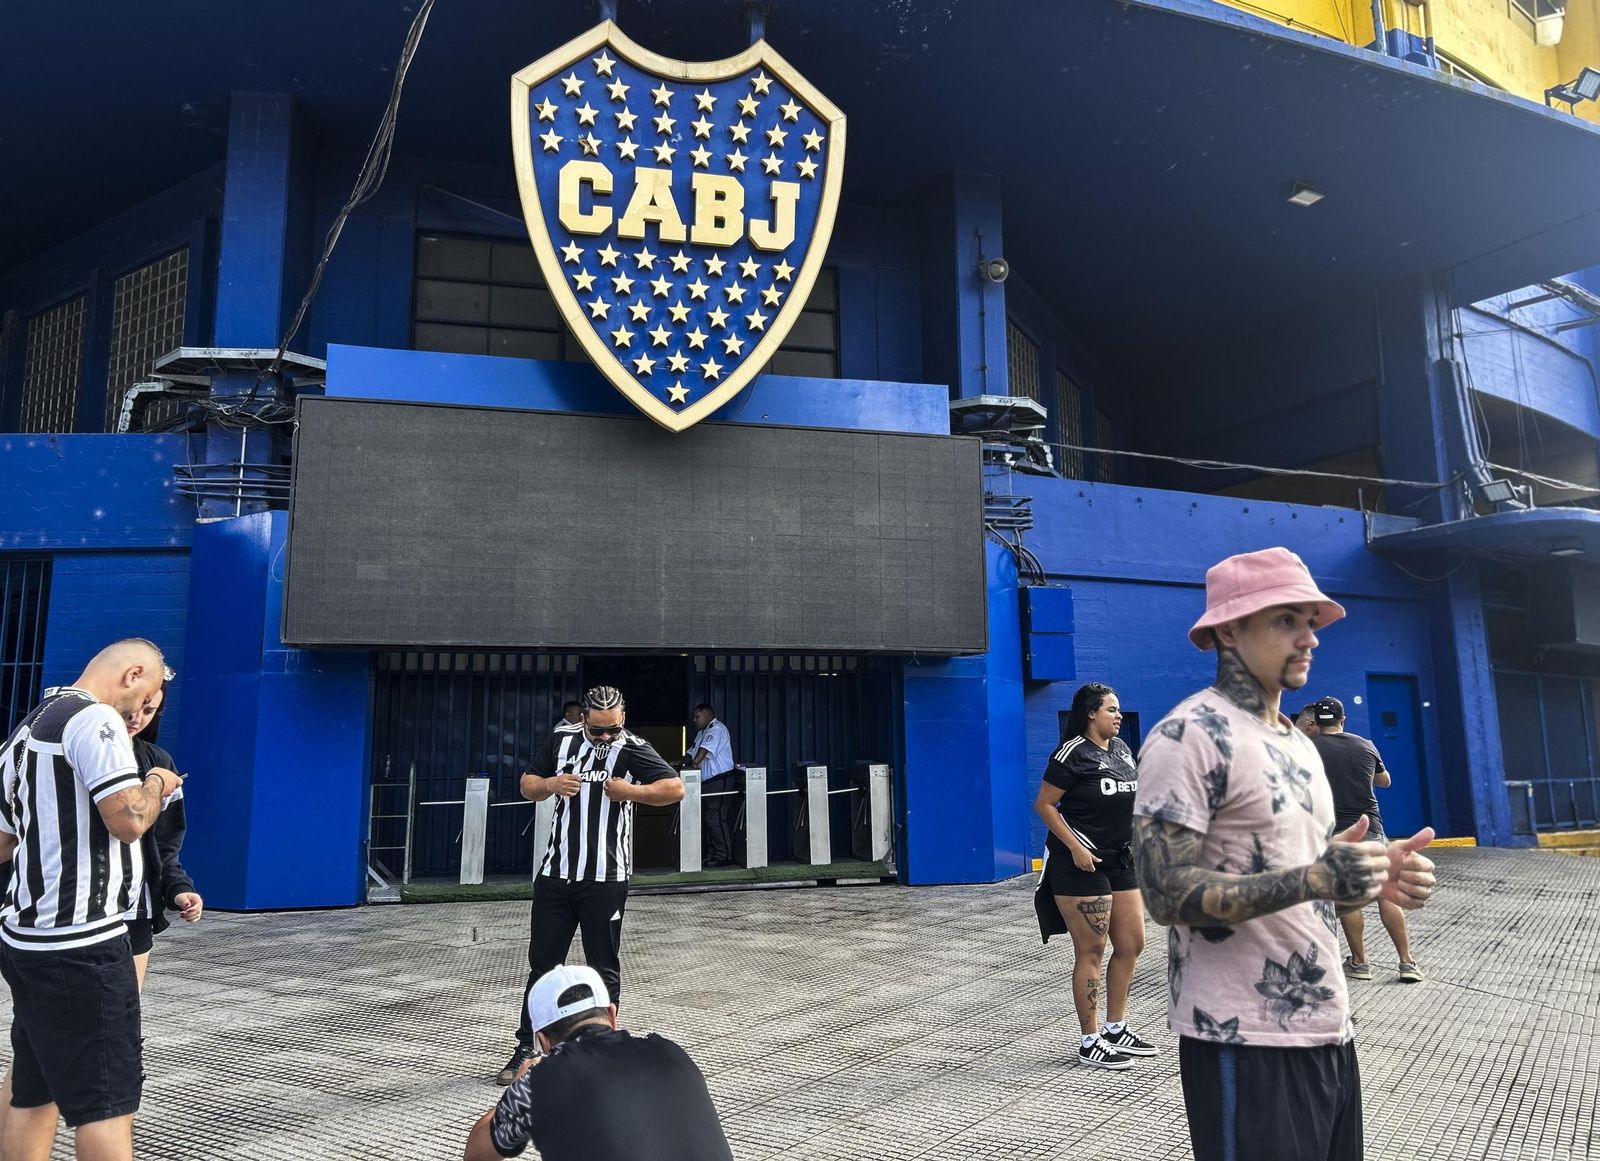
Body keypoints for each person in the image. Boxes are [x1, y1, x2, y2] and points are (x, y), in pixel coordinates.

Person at [1132, 547, 1438, 1161]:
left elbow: (1298, 865)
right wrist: (1313, 877)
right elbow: (1164, 894)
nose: (1310, 638)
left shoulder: (1298, 745)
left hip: (1329, 1025)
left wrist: (1365, 876)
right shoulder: (1186, 737)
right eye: (1285, 621)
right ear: (1228, 630)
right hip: (1242, 1038)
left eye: (1311, 622)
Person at [0, 639, 180, 1161]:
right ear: (133, 674)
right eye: (146, 697)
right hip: (84, 943)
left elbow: (3, 841)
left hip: (27, 940)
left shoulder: (29, 729)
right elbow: (128, 820)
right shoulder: (94, 720)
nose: (141, 713)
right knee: (107, 1103)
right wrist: (157, 781)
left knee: (35, 1088)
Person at [495, 686, 684, 1084]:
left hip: (606, 877)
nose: (604, 738)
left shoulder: (632, 747)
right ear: (583, 719)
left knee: (603, 965)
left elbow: (674, 788)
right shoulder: (561, 740)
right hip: (556, 873)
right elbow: (527, 783)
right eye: (597, 731)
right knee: (543, 965)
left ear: (623, 719)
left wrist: (631, 792)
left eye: (611, 730)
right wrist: (551, 786)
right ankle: (527, 1045)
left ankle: (604, 1051)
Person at [466, 964, 733, 1161]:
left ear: (543, 1041)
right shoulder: (671, 1052)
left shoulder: (539, 1084)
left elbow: (476, 1156)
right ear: (612, 1015)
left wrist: (518, 1087)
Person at [1031, 682, 1156, 1069]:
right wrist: (1075, 847)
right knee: (1092, 950)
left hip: (1121, 860)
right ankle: (1090, 1040)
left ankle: (1116, 1028)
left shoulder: (1120, 750)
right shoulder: (1071, 754)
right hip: (1080, 865)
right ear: (1090, 713)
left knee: (1132, 943)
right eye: (1111, 710)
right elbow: (1045, 805)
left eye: (1119, 711)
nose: (1118, 716)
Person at [1310, 696, 1423, 984]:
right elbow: (1385, 781)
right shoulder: (1364, 744)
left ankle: (1360, 963)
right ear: (1342, 720)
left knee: (1350, 898)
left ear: (1315, 723)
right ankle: (1407, 962)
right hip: (1371, 828)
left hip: (1337, 833)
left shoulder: (1308, 748)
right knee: (1387, 893)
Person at [123, 686, 204, 988]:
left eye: (149, 710)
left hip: (135, 909)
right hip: (76, 910)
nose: (136, 717)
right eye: (132, 706)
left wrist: (179, 889)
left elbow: (164, 845)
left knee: (127, 1009)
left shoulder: (158, 762)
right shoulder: (77, 754)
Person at [684, 703, 737, 867]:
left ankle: (724, 855)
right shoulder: (702, 732)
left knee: (715, 818)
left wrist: (694, 763)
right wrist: (678, 762)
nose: (694, 720)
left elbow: (702, 753)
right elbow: (692, 753)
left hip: (720, 781)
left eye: (697, 716)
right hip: (707, 782)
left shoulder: (717, 729)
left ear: (707, 715)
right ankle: (713, 854)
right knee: (709, 819)